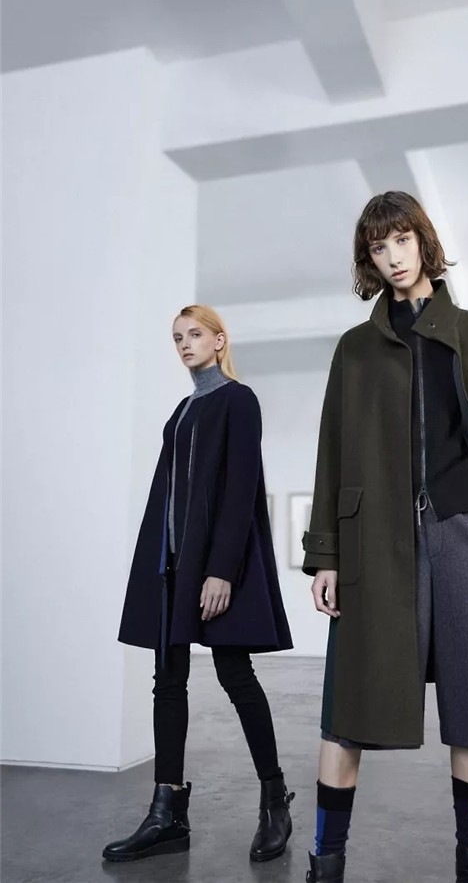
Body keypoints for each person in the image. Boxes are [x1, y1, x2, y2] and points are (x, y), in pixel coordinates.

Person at [302, 192, 468, 883]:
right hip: (374, 545)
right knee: (349, 710)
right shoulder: (356, 349)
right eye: (378, 247)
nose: (393, 256)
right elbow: (331, 451)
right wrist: (326, 554)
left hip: (465, 535)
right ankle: (325, 864)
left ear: (423, 242)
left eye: (401, 240)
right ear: (369, 260)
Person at [103, 305, 294, 865]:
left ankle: (274, 800)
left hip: (212, 567)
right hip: (170, 567)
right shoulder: (183, 409)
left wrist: (221, 570)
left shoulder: (239, 400)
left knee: (236, 674)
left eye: (194, 335)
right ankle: (167, 812)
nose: (185, 344)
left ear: (219, 340)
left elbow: (241, 489)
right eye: (177, 338)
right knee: (168, 681)